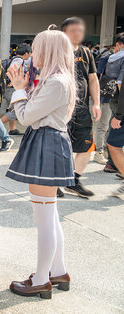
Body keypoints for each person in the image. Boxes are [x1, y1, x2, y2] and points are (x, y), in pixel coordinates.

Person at [4, 30, 76, 298]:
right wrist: (24, 89)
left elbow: (25, 117)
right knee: (50, 216)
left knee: (44, 218)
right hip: (48, 141)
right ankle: (57, 271)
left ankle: (42, 279)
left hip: (47, 142)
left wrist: (20, 89)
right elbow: (29, 117)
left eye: (36, 49)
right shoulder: (56, 79)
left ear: (50, 52)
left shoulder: (56, 82)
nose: (32, 54)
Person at [60, 17, 100, 198]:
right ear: (64, 33)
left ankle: (73, 181)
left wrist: (96, 103)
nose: (77, 33)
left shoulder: (86, 52)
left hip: (83, 110)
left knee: (86, 148)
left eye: (80, 29)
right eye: (73, 30)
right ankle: (55, 183)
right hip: (61, 109)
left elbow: (92, 78)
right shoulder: (58, 51)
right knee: (61, 148)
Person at [104, 35, 124, 197]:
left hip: (119, 107)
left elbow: (120, 84)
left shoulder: (115, 58)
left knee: (113, 143)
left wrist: (119, 114)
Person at [1, 44, 32, 136]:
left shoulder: (14, 58)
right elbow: (11, 69)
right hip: (13, 89)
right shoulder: (19, 60)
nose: (30, 55)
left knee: (12, 109)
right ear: (26, 53)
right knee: (15, 110)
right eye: (30, 53)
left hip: (8, 89)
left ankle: (12, 129)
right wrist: (14, 80)